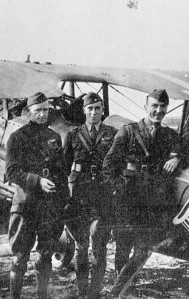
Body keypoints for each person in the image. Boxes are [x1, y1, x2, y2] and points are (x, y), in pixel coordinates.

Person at [102, 89, 184, 296]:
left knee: (145, 248)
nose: (158, 111)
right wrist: (120, 189)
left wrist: (177, 159)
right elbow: (109, 165)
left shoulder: (169, 135)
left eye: (162, 107)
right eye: (154, 106)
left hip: (153, 199)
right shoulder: (128, 131)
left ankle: (117, 291)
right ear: (146, 106)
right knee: (123, 245)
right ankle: (122, 290)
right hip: (128, 197)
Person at [6, 92, 68, 299]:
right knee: (20, 256)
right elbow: (11, 172)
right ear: (28, 112)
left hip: (49, 206)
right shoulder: (17, 137)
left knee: (45, 255)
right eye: (38, 110)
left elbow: (60, 172)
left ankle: (42, 295)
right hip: (26, 203)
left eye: (46, 110)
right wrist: (37, 181)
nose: (42, 114)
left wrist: (63, 201)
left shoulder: (54, 137)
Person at [62, 92, 117, 299]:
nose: (94, 113)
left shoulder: (112, 134)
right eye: (90, 109)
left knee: (100, 247)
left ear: (103, 111)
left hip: (103, 196)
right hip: (80, 195)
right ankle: (82, 292)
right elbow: (64, 167)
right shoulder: (73, 135)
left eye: (97, 109)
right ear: (84, 111)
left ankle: (95, 292)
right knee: (81, 246)